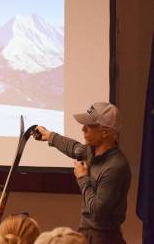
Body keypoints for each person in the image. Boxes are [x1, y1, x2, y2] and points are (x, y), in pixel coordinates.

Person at [32, 102, 131, 244]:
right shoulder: (92, 150)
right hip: (85, 232)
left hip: (104, 238)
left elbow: (97, 213)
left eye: (89, 126)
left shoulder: (115, 167)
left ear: (105, 132)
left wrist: (83, 178)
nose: (83, 129)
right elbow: (75, 148)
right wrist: (49, 136)